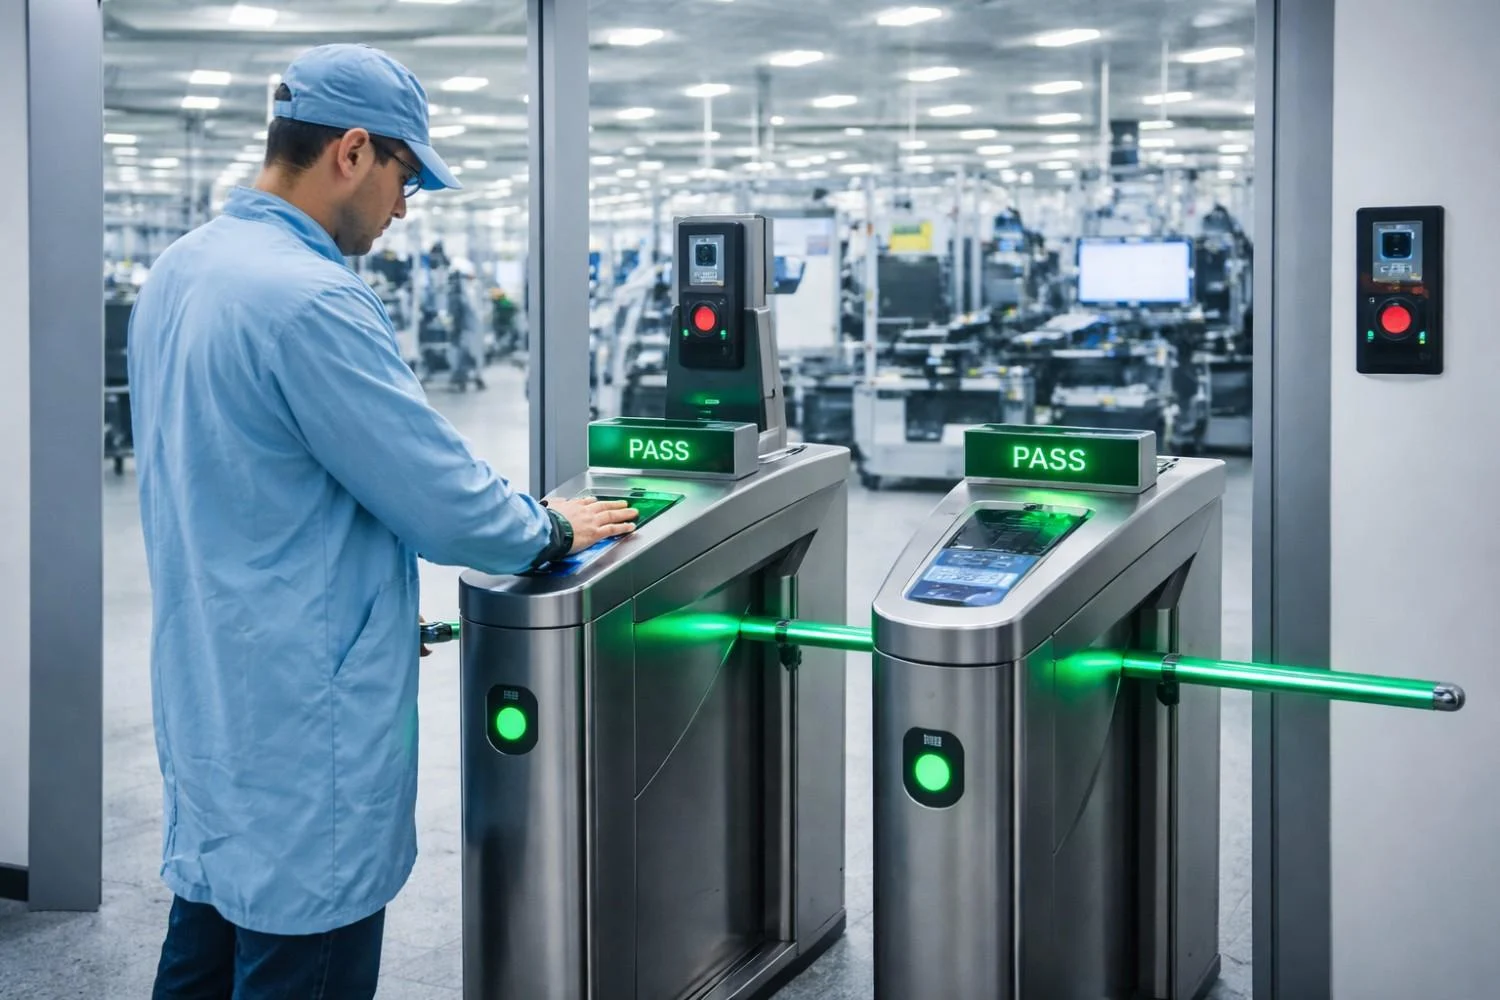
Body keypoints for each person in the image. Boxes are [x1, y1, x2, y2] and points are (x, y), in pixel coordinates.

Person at [127, 43, 637, 999]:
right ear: (353, 152)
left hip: (209, 681)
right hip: (299, 717)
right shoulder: (312, 299)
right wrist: (553, 528)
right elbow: (439, 498)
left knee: (205, 935)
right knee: (300, 950)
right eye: (406, 176)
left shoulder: (183, 271)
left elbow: (249, 487)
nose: (405, 208)